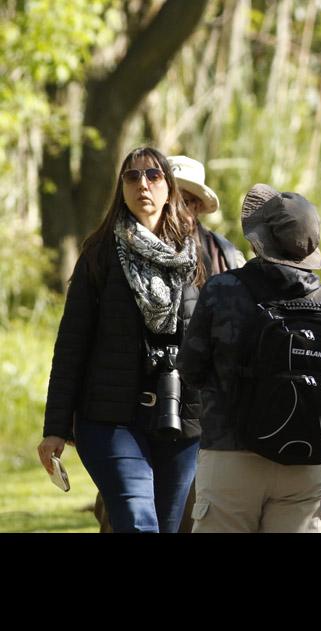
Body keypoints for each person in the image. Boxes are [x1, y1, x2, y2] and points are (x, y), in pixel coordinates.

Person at [38, 146, 200, 533]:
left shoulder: (194, 258)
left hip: (181, 419)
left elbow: (210, 343)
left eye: (153, 175)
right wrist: (55, 427)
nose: (142, 184)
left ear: (169, 187)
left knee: (167, 527)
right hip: (110, 419)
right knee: (138, 522)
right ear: (121, 188)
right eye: (132, 176)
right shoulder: (99, 254)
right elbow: (71, 345)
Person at [177, 184, 321, 532]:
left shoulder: (222, 290)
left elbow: (191, 370)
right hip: (306, 458)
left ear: (258, 241)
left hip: (230, 455)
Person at [92, 154, 244, 533]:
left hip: (201, 416)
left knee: (191, 518)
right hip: (127, 414)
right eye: (178, 196)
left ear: (200, 207)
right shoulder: (119, 251)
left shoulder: (224, 256)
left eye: (190, 200)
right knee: (124, 514)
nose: (181, 207)